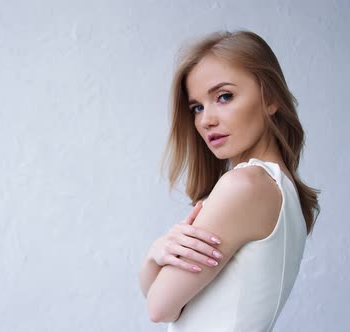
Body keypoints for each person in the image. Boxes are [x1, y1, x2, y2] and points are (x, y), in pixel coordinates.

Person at [138, 30, 321, 331]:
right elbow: (165, 303)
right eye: (197, 107)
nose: (206, 119)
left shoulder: (244, 186)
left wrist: (155, 254)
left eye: (224, 96)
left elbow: (159, 306)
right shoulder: (279, 189)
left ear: (271, 98)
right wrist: (157, 255)